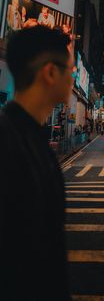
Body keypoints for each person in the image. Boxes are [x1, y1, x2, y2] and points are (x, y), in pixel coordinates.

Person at [0, 26, 74, 300]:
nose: (72, 78)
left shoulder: (31, 138)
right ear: (51, 73)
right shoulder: (9, 142)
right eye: (71, 71)